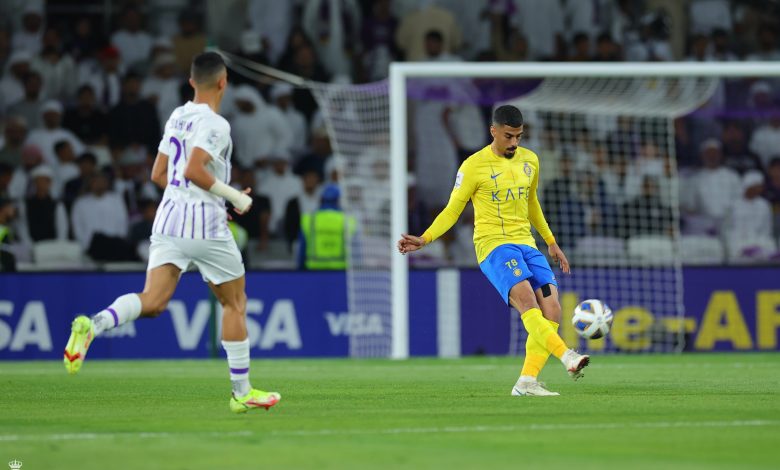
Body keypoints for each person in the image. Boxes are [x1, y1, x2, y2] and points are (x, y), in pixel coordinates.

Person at [63, 52, 280, 413]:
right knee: (234, 303)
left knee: (153, 302)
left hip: (168, 219)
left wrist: (200, 199)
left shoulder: (177, 116)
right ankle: (241, 392)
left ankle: (94, 324)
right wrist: (234, 198)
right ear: (223, 82)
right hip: (204, 225)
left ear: (192, 82)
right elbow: (194, 170)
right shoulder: (216, 124)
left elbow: (158, 175)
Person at [397, 105, 589, 397]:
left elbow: (532, 203)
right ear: (493, 131)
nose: (514, 142)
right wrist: (426, 238)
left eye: (519, 136)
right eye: (509, 136)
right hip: (494, 245)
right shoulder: (473, 166)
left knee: (552, 309)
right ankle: (567, 356)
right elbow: (453, 210)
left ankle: (527, 382)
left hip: (526, 243)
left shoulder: (530, 160)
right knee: (528, 301)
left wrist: (550, 241)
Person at [298, 184, 354, 270]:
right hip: (341, 272)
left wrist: (300, 273)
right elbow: (356, 254)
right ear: (339, 200)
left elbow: (302, 252)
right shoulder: (349, 221)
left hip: (313, 272)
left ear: (321, 199)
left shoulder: (308, 220)